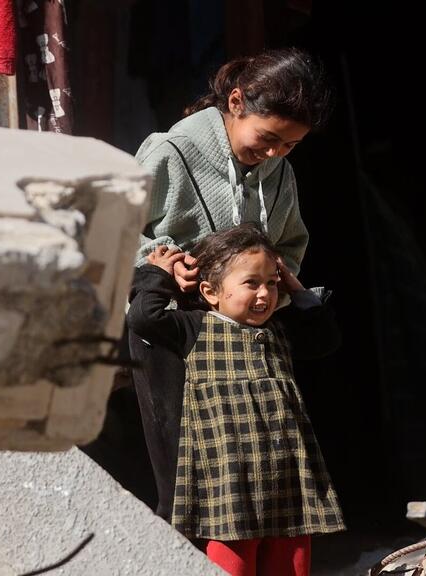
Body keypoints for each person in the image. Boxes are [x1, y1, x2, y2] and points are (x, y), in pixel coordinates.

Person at [129, 47, 333, 520]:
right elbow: (111, 230)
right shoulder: (169, 152)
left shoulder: (279, 173)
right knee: (186, 487)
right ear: (236, 102)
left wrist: (270, 282)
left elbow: (291, 243)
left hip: (245, 343)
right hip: (171, 333)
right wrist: (159, 266)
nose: (275, 153)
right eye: (268, 138)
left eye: (290, 145)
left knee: (243, 482)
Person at [128, 225, 344, 576]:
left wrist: (297, 289)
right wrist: (156, 274)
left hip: (285, 480)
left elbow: (325, 339)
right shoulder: (193, 327)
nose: (264, 295)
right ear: (211, 291)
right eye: (251, 283)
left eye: (271, 283)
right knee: (230, 567)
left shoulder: (278, 330)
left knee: (291, 565)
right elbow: (143, 318)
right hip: (225, 487)